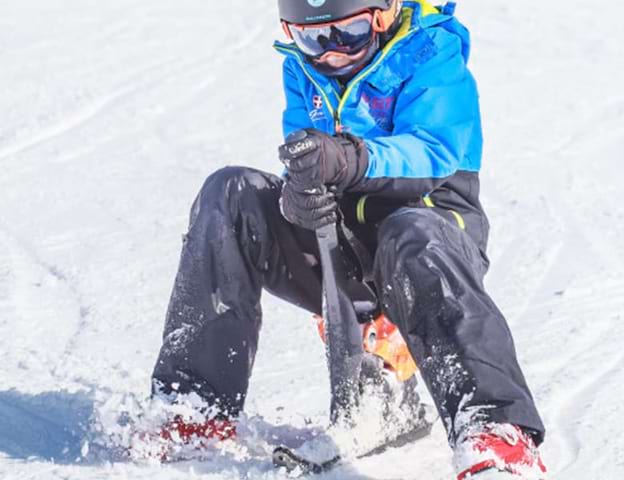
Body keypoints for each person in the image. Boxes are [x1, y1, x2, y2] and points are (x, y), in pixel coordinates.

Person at [151, 0, 547, 477]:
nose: (332, 53)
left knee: (411, 232)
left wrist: (348, 159)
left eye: (350, 34)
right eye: (313, 38)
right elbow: (303, 153)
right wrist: (298, 194)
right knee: (229, 193)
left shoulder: (432, 51)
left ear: (385, 13)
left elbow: (434, 148)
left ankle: (495, 432)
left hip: (427, 240)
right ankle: (193, 411)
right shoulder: (303, 67)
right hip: (336, 243)